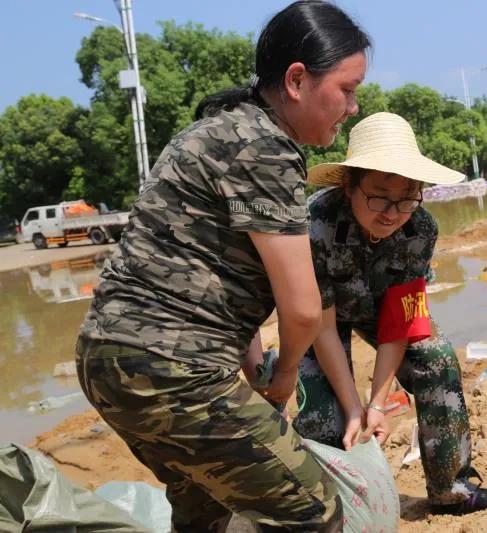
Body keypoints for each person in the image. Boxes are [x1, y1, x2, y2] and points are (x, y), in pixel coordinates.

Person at [74, 2, 370, 530]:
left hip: (108, 358)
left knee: (204, 508)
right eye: (346, 90)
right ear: (297, 80)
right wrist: (280, 384)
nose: (351, 107)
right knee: (312, 506)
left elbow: (220, 281)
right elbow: (301, 312)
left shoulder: (216, 131)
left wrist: (253, 371)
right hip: (171, 368)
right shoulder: (266, 149)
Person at [293, 112, 487, 515]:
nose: (392, 213)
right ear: (348, 185)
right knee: (324, 416)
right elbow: (321, 328)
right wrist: (353, 406)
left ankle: (450, 489)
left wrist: (376, 404)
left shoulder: (420, 230)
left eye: (407, 198)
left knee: (436, 356)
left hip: (379, 310)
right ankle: (323, 509)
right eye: (378, 196)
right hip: (321, 316)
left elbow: (399, 320)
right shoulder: (315, 225)